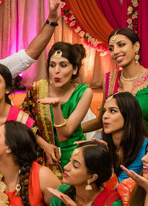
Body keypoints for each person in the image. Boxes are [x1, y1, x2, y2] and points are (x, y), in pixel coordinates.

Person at [82, 27, 148, 137]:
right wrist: (69, 129)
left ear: (136, 46)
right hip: (117, 146)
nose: (116, 52)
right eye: (111, 48)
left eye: (121, 45)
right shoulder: (110, 80)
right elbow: (101, 120)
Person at [21, 42, 94, 173]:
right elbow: (24, 123)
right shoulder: (37, 88)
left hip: (73, 157)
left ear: (75, 69)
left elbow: (64, 135)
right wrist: (44, 145)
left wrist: (56, 106)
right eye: (52, 65)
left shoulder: (84, 92)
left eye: (63, 65)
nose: (56, 71)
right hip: (40, 154)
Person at [99, 92, 148, 182]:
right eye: (104, 111)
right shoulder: (101, 141)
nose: (105, 116)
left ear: (129, 114)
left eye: (113, 111)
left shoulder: (145, 147)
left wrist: (105, 159)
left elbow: (122, 185)